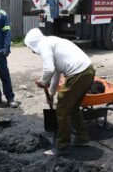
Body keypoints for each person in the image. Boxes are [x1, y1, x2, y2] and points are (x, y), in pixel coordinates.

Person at [24, 28, 95, 156]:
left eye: (31, 49)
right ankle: (82, 138)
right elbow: (56, 73)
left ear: (33, 44)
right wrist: (51, 93)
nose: (33, 52)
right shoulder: (53, 41)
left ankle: (62, 146)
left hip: (78, 73)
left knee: (62, 108)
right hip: (88, 71)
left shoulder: (43, 45)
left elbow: (49, 69)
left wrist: (43, 82)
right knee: (73, 107)